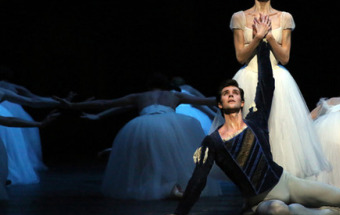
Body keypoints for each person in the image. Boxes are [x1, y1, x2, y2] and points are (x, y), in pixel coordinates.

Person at [153, 29, 340, 215]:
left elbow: (266, 85)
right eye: (226, 94)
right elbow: (198, 178)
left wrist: (264, 44)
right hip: (259, 201)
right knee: (278, 210)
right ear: (220, 104)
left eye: (235, 93)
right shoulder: (213, 142)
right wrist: (180, 213)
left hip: (286, 181)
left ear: (242, 102)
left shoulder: (255, 121)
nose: (231, 95)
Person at [58, 73, 221, 200]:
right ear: (166, 85)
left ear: (148, 86)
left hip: (143, 125)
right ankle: (175, 186)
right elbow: (207, 100)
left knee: (148, 158)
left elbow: (104, 103)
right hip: (172, 124)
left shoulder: (139, 96)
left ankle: (166, 187)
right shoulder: (175, 95)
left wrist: (74, 105)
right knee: (175, 156)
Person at [227, 0, 327, 178]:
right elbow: (240, 56)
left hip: (277, 79)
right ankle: (252, 186)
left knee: (280, 131)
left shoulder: (285, 17)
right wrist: (257, 37)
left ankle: (281, 183)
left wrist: (270, 36)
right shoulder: (239, 17)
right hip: (249, 77)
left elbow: (284, 57)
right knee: (250, 132)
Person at [0, 89, 61, 185]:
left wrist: (39, 123)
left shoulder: (2, 91)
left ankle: (3, 177)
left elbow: (8, 120)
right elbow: (7, 120)